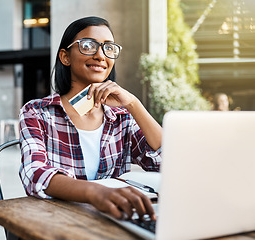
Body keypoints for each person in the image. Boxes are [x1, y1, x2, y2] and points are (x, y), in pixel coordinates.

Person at [19, 16, 162, 221]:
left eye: (108, 48)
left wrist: (133, 104)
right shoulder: (37, 112)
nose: (100, 55)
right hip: (56, 221)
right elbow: (35, 174)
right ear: (65, 57)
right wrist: (94, 192)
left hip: (113, 220)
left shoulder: (121, 116)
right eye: (88, 45)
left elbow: (164, 162)